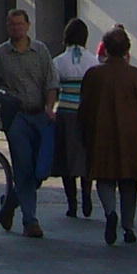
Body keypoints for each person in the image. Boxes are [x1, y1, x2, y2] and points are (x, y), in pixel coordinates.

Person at [79, 25, 137, 245]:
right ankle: (128, 226)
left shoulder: (94, 75)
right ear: (127, 50)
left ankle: (110, 212)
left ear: (105, 49)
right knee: (129, 183)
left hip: (101, 135)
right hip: (131, 138)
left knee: (104, 178)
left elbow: (84, 109)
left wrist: (84, 136)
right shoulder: (136, 76)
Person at [0, 8, 57, 239]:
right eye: (12, 24)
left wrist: (50, 107)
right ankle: (30, 221)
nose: (16, 28)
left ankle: (10, 202)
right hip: (16, 118)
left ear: (28, 26)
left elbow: (51, 82)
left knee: (41, 170)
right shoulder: (0, 54)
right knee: (23, 167)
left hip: (40, 116)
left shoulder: (41, 51)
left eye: (20, 24)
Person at [51, 18, 94, 220]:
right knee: (86, 154)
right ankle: (87, 195)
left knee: (66, 157)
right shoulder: (93, 60)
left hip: (66, 112)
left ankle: (72, 203)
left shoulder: (58, 61)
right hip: (87, 112)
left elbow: (52, 89)